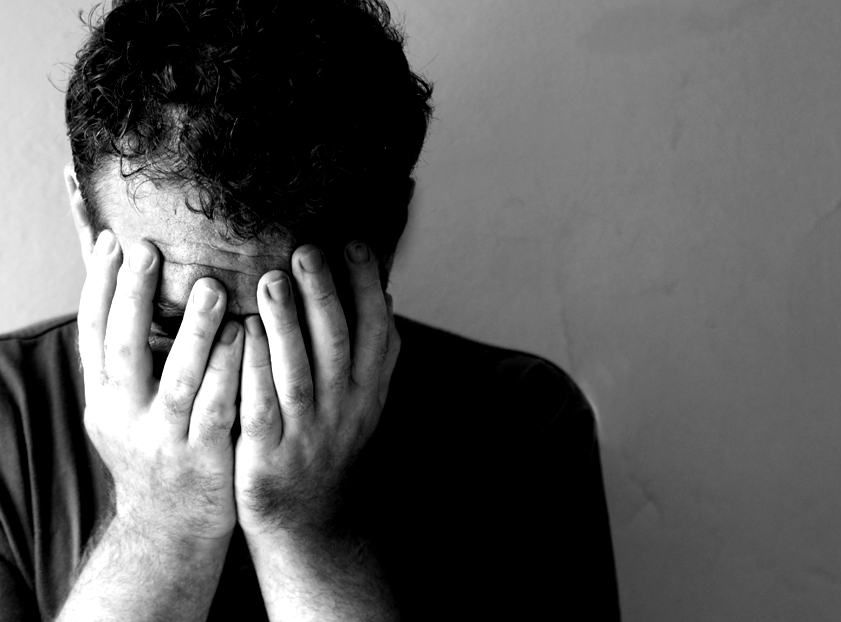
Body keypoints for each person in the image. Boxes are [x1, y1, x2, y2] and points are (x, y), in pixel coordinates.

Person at [0, 0, 620, 619]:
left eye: (288, 326)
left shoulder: (524, 424)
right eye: (174, 325)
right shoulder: (6, 421)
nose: (235, 391)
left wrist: (304, 532)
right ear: (86, 223)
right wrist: (159, 527)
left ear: (388, 239)